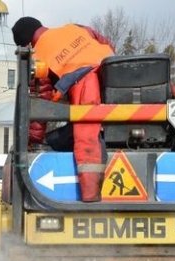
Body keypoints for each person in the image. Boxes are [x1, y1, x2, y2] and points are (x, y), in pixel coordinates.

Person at [11, 16, 115, 201]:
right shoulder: (75, 27)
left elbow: (40, 107)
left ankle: (90, 195)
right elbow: (105, 43)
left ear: (27, 44)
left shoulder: (40, 59)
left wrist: (31, 141)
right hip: (116, 79)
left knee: (72, 138)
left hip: (87, 95)